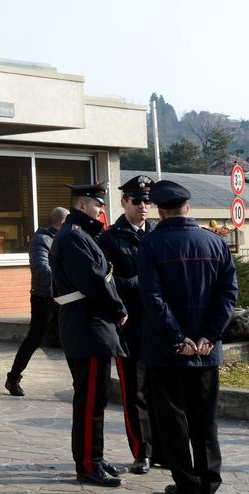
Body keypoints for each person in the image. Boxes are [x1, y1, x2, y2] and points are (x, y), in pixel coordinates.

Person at [138, 180, 238, 494]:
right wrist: (210, 335)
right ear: (189, 208)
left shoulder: (151, 245)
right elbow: (228, 295)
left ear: (160, 211)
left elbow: (152, 297)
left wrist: (178, 338)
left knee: (173, 419)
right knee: (205, 418)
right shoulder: (215, 243)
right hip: (207, 350)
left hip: (167, 350)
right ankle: (209, 482)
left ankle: (186, 484)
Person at [49, 182, 129, 488]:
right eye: (97, 204)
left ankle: (94, 456)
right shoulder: (73, 236)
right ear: (81, 205)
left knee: (96, 400)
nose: (101, 210)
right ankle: (88, 464)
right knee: (90, 401)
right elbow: (94, 281)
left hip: (91, 324)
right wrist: (118, 308)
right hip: (88, 326)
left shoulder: (80, 234)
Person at [98, 175, 157, 475]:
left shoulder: (158, 233)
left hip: (159, 325)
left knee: (159, 390)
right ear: (124, 202)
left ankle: (161, 449)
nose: (143, 206)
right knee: (135, 392)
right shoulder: (110, 238)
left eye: (147, 201)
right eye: (137, 201)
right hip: (130, 325)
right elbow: (109, 281)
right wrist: (145, 283)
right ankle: (141, 451)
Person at [5, 206, 69, 396]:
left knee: (71, 339)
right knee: (34, 339)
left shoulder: (66, 239)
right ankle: (13, 378)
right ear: (63, 222)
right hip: (44, 298)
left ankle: (79, 381)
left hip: (64, 297)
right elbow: (41, 269)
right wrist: (65, 281)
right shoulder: (41, 240)